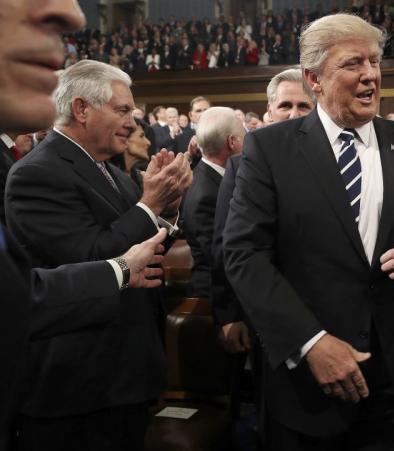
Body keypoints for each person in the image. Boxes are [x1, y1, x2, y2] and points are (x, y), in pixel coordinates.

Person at [223, 13, 394, 450]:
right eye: (353, 64)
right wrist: (310, 343)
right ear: (314, 79)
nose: (370, 75)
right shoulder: (270, 149)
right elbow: (244, 254)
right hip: (306, 377)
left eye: (375, 62)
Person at [5, 60, 193, 451]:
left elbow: (141, 248)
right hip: (78, 386)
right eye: (122, 110)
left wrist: (167, 207)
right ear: (81, 109)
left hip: (125, 373)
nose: (132, 120)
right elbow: (91, 261)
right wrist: (149, 204)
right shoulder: (36, 174)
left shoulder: (112, 172)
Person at [211, 67, 315, 355]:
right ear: (270, 111)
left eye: (303, 105)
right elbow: (225, 243)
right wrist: (229, 314)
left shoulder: (336, 163)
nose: (294, 114)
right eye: (285, 106)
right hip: (264, 308)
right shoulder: (240, 164)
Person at [181, 107, 245, 298]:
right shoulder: (205, 193)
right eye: (243, 136)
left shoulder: (211, 178)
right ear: (232, 142)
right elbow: (219, 257)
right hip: (217, 296)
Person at [110, 117, 151, 192]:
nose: (148, 142)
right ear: (124, 139)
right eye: (141, 136)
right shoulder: (108, 178)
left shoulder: (139, 177)